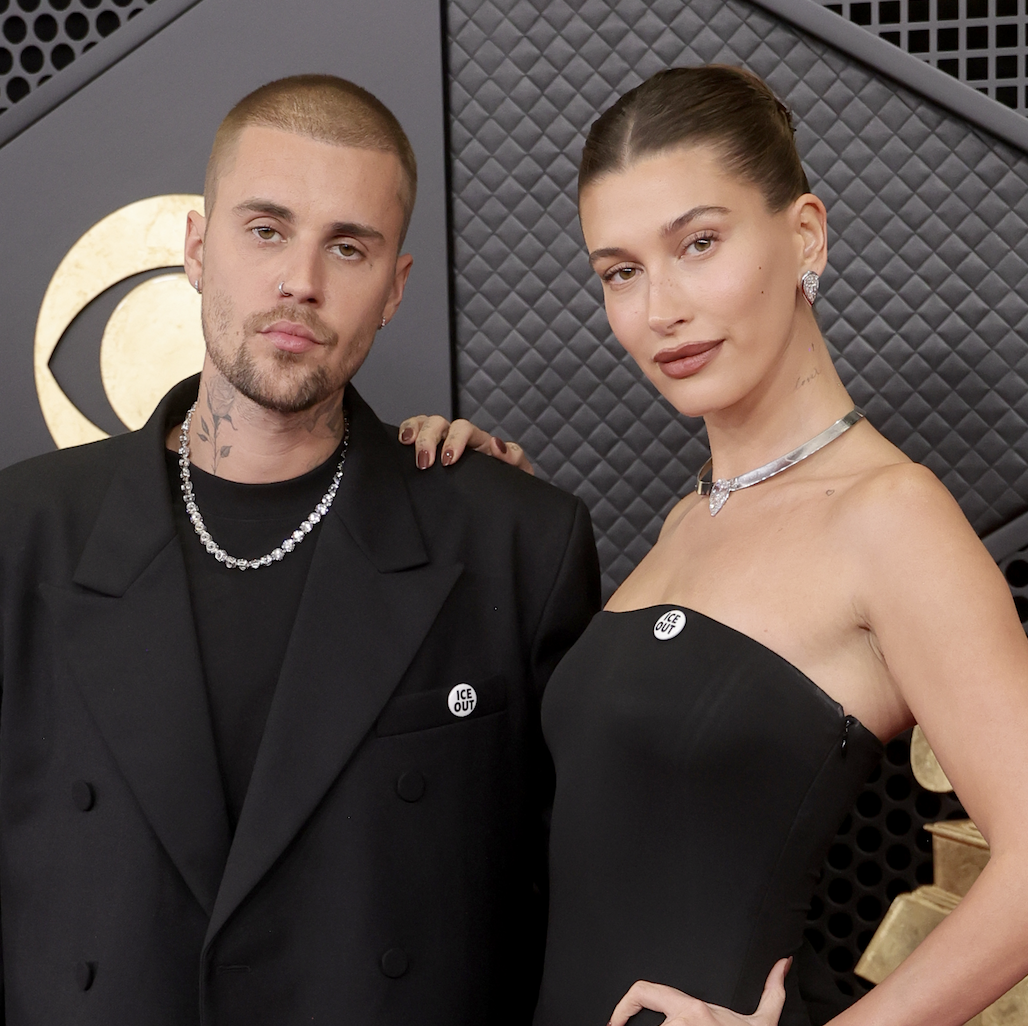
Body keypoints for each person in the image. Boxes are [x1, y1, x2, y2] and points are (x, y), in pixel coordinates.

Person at [402, 65, 1028, 1026]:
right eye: (621, 271)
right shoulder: (688, 518)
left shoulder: (889, 516)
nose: (660, 310)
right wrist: (482, 502)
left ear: (804, 234)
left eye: (698, 243)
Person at [0, 75, 599, 1025]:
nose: (301, 283)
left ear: (396, 287)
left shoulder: (512, 541)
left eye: (347, 246)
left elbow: (573, 906)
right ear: (197, 248)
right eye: (266, 229)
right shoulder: (23, 530)